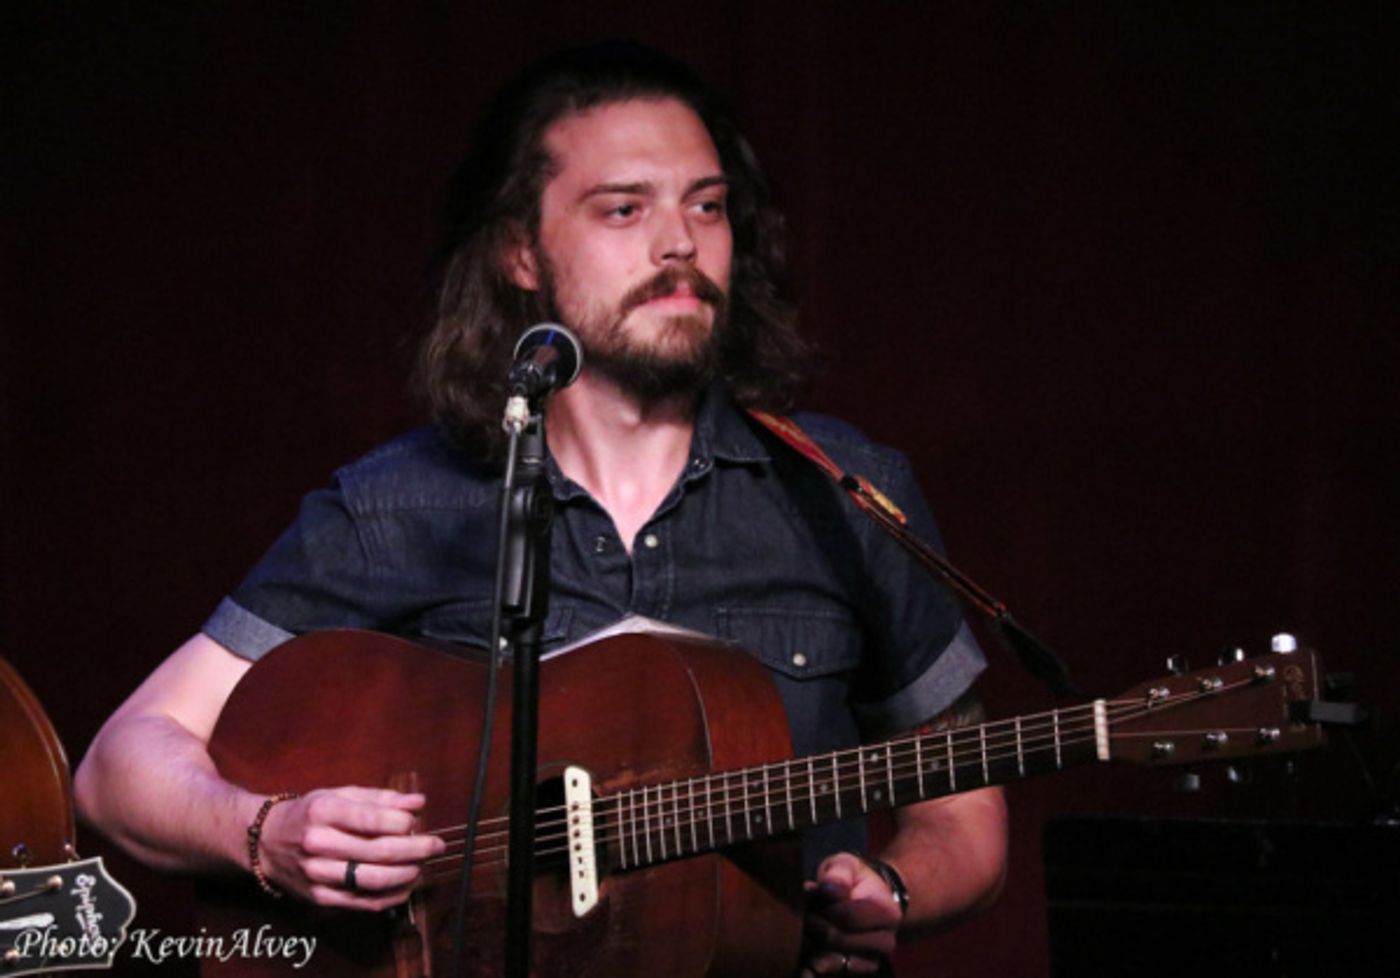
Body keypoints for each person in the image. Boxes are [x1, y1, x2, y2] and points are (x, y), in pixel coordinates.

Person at [74, 42, 1007, 977]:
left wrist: (896, 889)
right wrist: (266, 832)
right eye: (624, 208)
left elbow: (965, 813)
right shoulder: (400, 506)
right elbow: (120, 768)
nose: (680, 241)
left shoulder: (847, 492)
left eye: (707, 205)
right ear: (522, 251)